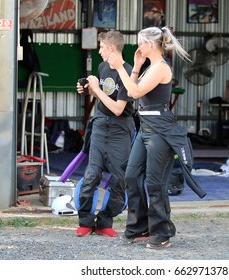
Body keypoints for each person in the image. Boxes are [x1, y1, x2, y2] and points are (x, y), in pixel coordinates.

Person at [108, 26, 191, 249]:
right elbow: (131, 90)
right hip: (146, 127)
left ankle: (162, 232)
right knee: (132, 176)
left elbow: (134, 93)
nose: (138, 47)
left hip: (160, 130)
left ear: (150, 44)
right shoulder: (149, 67)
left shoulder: (160, 68)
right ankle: (139, 226)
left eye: (140, 43)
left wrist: (119, 67)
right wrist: (134, 67)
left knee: (155, 182)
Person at [75, 30, 135, 237]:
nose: (99, 50)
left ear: (111, 48)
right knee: (92, 174)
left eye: (101, 46)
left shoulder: (128, 72)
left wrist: (97, 91)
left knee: (120, 178)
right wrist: (87, 88)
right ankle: (85, 221)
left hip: (120, 128)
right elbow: (102, 97)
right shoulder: (102, 67)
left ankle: (104, 222)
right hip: (100, 125)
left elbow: (118, 108)